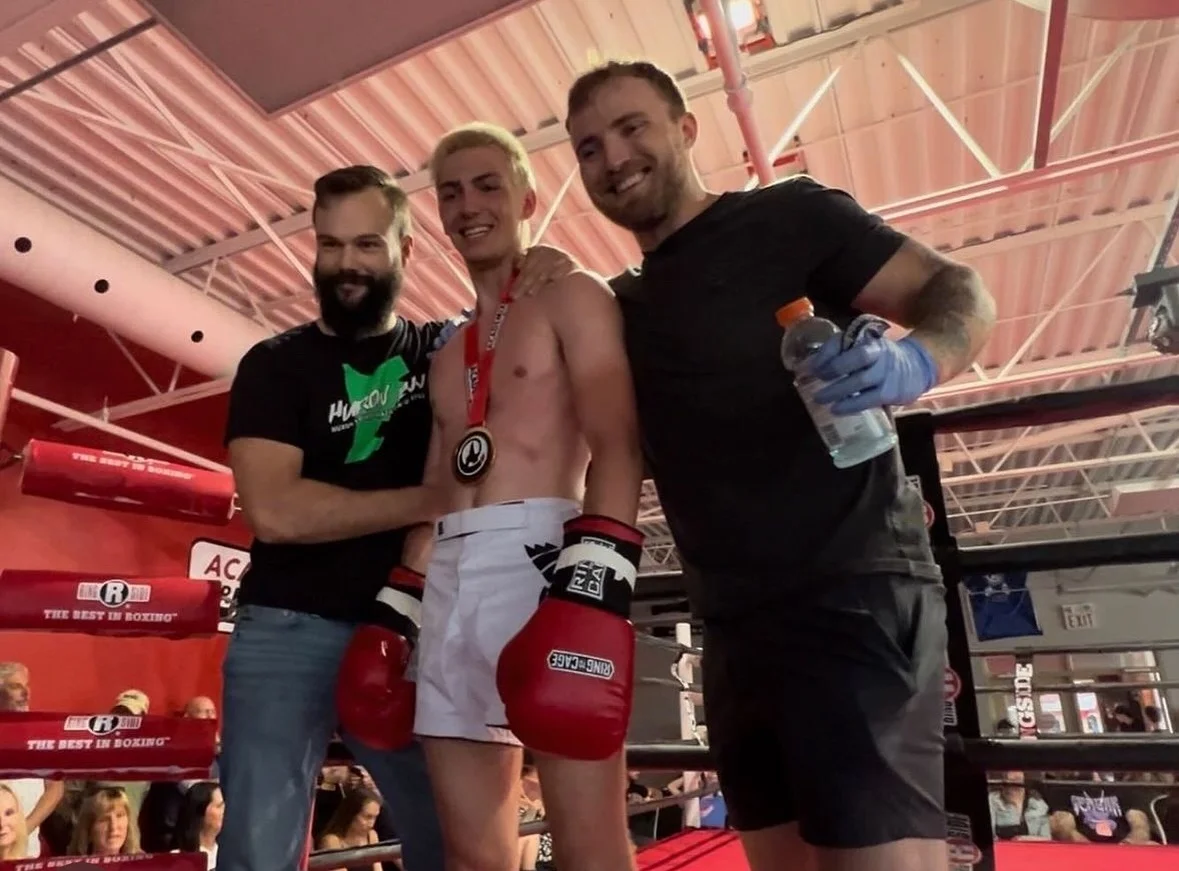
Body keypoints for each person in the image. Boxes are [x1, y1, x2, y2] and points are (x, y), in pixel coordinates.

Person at [561, 61, 997, 871]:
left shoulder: (788, 216)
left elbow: (955, 287)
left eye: (631, 128)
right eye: (588, 147)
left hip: (851, 593)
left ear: (686, 129)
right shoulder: (618, 307)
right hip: (731, 628)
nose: (612, 157)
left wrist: (917, 362)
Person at [221, 163, 569, 871]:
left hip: (418, 629)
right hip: (288, 624)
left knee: (455, 839)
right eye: (331, 245)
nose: (346, 263)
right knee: (257, 848)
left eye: (367, 244)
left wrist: (546, 265)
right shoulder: (273, 364)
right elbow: (276, 509)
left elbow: (534, 328)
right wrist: (432, 500)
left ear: (406, 251)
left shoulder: (442, 352)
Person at [405, 122, 644, 871]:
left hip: (543, 556)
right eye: (450, 193)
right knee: (472, 853)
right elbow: (437, 487)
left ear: (526, 198)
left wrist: (596, 583)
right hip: (449, 572)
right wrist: (400, 597)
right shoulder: (447, 354)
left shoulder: (572, 293)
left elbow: (619, 440)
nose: (467, 205)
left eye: (486, 185)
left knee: (589, 843)